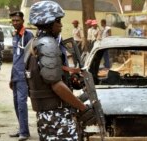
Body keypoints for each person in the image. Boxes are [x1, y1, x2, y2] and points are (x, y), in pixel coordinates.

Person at [26, 1, 96, 140]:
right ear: (49, 22)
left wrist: (71, 80)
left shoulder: (32, 43)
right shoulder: (48, 45)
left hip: (45, 114)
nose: (61, 25)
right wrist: (83, 108)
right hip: (56, 115)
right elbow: (56, 85)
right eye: (58, 21)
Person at [8, 11, 34, 141]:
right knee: (16, 103)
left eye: (17, 20)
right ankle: (22, 128)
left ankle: (24, 132)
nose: (15, 23)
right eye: (13, 21)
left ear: (22, 21)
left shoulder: (28, 35)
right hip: (15, 75)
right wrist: (11, 77)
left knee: (21, 104)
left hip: (23, 76)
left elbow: (32, 56)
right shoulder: (15, 35)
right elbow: (16, 57)